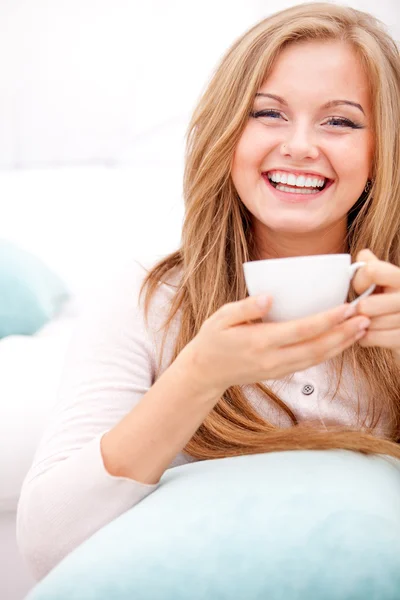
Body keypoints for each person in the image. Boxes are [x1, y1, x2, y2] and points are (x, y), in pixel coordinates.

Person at [17, 1, 400, 582]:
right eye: (267, 113)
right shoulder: (150, 297)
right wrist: (198, 376)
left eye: (340, 121)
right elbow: (45, 545)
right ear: (227, 134)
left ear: (382, 152)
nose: (299, 145)